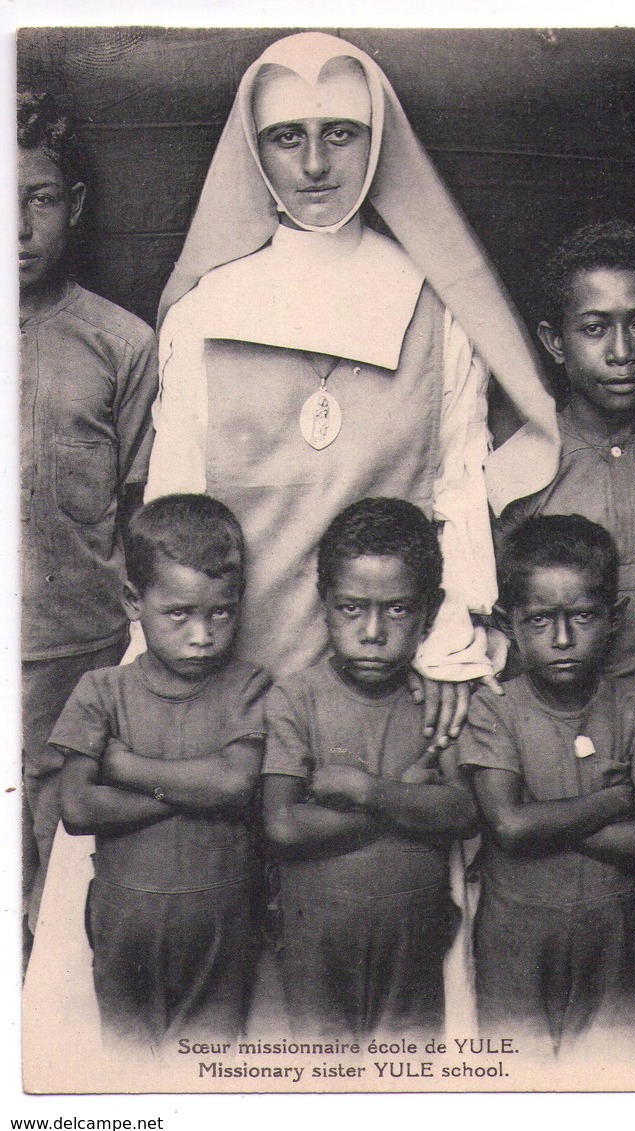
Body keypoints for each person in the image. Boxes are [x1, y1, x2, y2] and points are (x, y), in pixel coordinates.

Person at [145, 30, 560, 746]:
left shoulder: (440, 310)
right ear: (253, 149)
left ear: (378, 142)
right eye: (285, 137)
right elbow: (170, 512)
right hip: (227, 675)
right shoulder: (202, 312)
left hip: (390, 676)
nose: (313, 164)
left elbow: (457, 489)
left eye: (340, 133)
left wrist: (448, 640)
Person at [458, 514, 635, 1057]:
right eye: (540, 620)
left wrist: (546, 818)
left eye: (583, 616)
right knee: (517, 1087)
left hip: (612, 945)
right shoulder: (495, 711)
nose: (562, 639)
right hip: (516, 945)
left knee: (602, 1081)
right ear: (509, 622)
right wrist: (612, 801)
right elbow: (511, 828)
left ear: (614, 618)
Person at [49, 495, 269, 1047]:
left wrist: (126, 767)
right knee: (129, 1068)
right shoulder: (103, 690)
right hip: (125, 926)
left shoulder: (249, 687)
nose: (202, 634)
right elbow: (76, 809)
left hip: (222, 927)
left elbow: (237, 782)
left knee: (210, 1077)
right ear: (133, 600)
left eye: (221, 611)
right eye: (179, 614)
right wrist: (191, 791)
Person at [18, 90, 159, 942]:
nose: (18, 225)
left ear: (70, 206)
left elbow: (142, 507)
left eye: (36, 198)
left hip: (77, 650)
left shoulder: (121, 344)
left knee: (60, 859)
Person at [262, 498, 478, 1039]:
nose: (373, 631)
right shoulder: (298, 698)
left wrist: (366, 791)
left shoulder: (435, 700)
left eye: (398, 610)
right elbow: (284, 825)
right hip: (315, 947)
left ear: (430, 611)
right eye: (351, 609)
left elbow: (465, 810)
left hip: (415, 943)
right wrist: (406, 799)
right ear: (324, 605)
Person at [499, 220, 635, 754]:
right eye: (594, 328)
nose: (621, 352)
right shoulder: (521, 467)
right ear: (555, 342)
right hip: (546, 752)